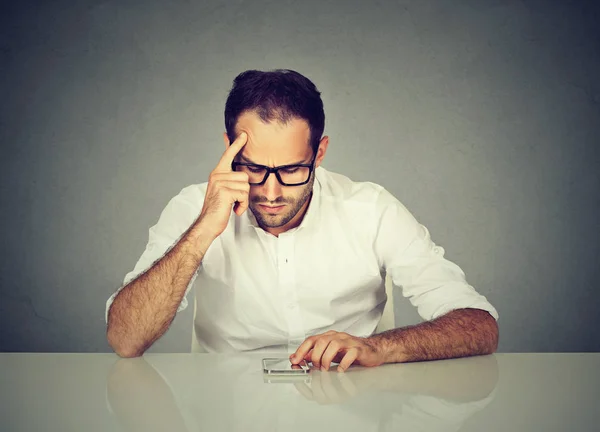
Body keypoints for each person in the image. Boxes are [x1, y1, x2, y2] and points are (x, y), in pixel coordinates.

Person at [105, 69, 499, 371]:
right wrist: (203, 230)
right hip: (224, 412)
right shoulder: (192, 208)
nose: (272, 193)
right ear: (229, 149)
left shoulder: (371, 208)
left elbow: (480, 325)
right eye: (254, 169)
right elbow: (125, 339)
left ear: (320, 153)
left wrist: (379, 347)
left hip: (353, 407)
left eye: (293, 169)